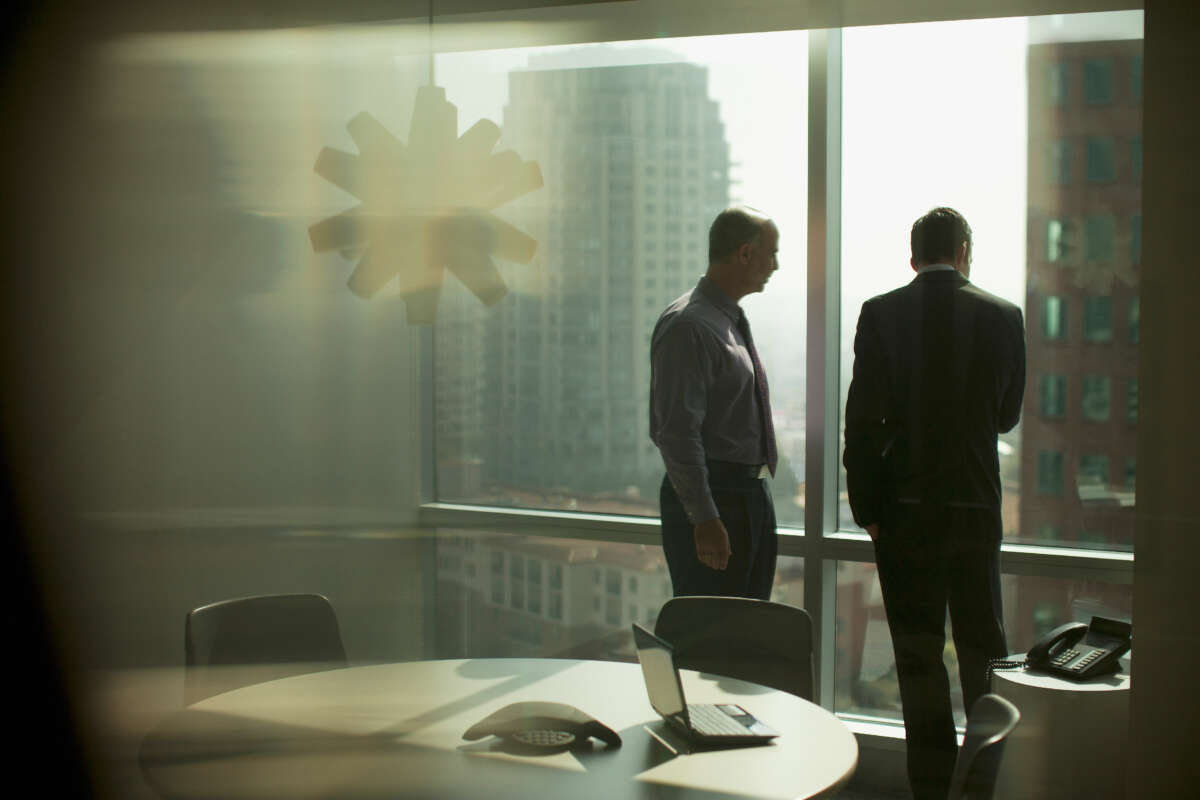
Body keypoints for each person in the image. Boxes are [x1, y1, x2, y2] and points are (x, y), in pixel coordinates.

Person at [843, 207, 1026, 800]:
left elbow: (862, 424)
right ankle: (982, 789)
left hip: (904, 516)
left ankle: (929, 790)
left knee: (919, 666)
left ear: (913, 255)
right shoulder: (1003, 316)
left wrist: (869, 509)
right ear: (965, 250)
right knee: (984, 666)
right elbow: (1005, 416)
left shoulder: (880, 315)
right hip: (973, 511)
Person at [649, 206, 780, 599]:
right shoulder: (689, 326)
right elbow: (676, 433)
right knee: (713, 633)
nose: (776, 264)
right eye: (771, 253)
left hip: (746, 495)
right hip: (717, 499)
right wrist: (704, 517)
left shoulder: (723, 321)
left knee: (744, 630)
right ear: (744, 254)